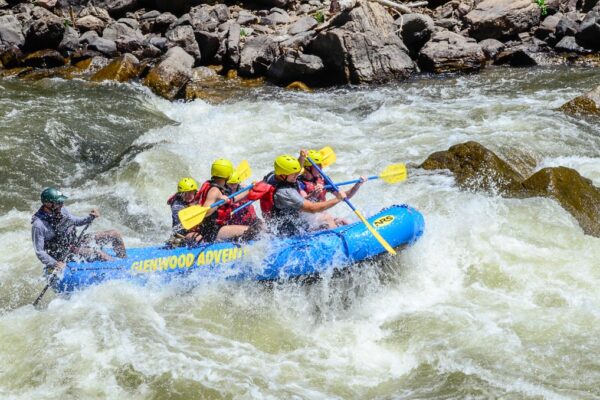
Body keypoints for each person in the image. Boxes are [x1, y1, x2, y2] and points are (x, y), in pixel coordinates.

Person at [31, 187, 127, 275]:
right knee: (100, 254)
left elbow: (76, 221)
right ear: (48, 204)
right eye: (59, 202)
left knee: (115, 234)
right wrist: (55, 263)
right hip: (64, 253)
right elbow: (40, 252)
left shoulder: (61, 210)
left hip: (75, 242)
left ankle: (125, 262)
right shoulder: (39, 225)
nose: (62, 204)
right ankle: (122, 271)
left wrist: (90, 217)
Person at [260, 154, 350, 237]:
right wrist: (337, 199)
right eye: (294, 174)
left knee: (327, 218)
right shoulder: (286, 192)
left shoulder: (273, 175)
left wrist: (302, 158)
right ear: (283, 175)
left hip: (281, 223)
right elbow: (312, 208)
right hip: (289, 232)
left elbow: (296, 169)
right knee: (327, 219)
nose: (297, 175)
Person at [195, 159, 255, 242]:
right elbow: (204, 213)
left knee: (253, 228)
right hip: (211, 231)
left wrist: (250, 189)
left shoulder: (215, 186)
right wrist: (218, 204)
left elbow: (233, 199)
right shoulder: (214, 191)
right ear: (228, 175)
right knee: (252, 231)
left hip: (216, 228)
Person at [166, 177, 203, 247]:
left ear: (195, 191)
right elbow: (183, 223)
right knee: (198, 238)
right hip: (182, 233)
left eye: (191, 192)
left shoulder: (198, 197)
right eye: (185, 193)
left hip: (195, 229)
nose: (189, 196)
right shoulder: (177, 205)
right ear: (180, 194)